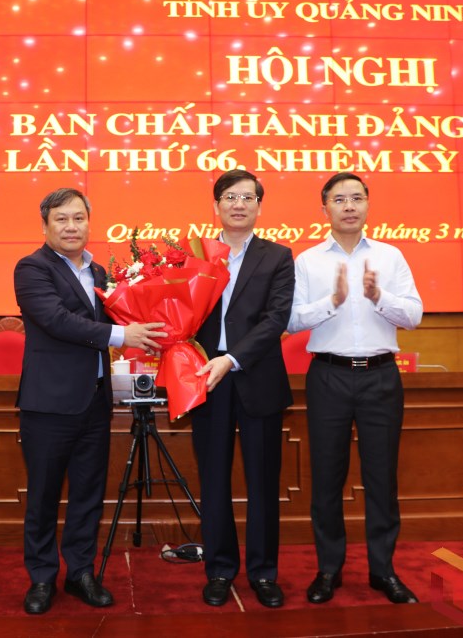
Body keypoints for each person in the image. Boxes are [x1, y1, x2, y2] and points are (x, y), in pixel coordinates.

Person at [13, 188, 166, 615]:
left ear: (89, 222)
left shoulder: (100, 272)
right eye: (61, 219)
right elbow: (56, 320)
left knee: (87, 495)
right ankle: (42, 578)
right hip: (48, 404)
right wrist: (123, 336)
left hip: (95, 403)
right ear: (45, 225)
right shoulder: (32, 268)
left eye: (78, 218)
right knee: (43, 496)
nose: (71, 227)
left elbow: (124, 314)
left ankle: (80, 571)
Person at [287, 171, 423, 605]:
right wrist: (334, 302)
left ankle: (383, 571)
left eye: (357, 198)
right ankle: (329, 570)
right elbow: (290, 321)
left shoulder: (391, 256)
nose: (349, 206)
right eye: (340, 199)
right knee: (327, 478)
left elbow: (414, 315)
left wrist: (378, 296)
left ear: (368, 205)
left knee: (381, 478)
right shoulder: (308, 261)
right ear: (324, 207)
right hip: (328, 375)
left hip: (382, 376)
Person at [192, 169, 295, 609]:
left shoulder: (278, 256)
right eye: (230, 197)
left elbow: (276, 320)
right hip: (206, 382)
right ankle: (218, 569)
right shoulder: (194, 255)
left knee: (263, 481)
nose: (238, 204)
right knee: (213, 480)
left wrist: (232, 357)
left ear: (258, 206)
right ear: (216, 206)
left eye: (247, 197)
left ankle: (264, 572)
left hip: (257, 378)